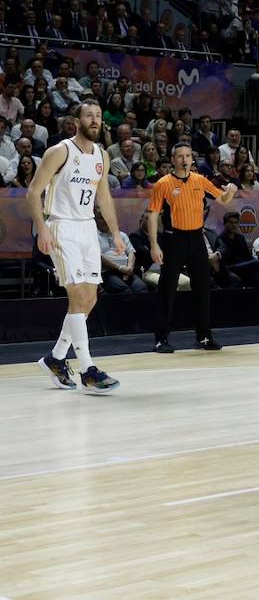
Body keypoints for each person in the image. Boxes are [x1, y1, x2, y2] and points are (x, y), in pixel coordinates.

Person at [29, 101, 122, 393]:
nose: (95, 120)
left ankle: (56, 358)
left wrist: (116, 234)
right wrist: (42, 229)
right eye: (89, 116)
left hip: (87, 228)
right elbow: (33, 192)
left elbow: (104, 198)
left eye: (98, 116)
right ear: (77, 120)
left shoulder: (102, 156)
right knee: (79, 295)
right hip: (61, 226)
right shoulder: (60, 151)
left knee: (89, 299)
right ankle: (88, 370)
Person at [147, 141, 237, 353]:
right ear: (173, 160)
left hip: (196, 237)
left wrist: (231, 190)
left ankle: (204, 336)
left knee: (203, 287)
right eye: (180, 156)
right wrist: (154, 244)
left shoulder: (200, 180)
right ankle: (161, 338)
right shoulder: (163, 183)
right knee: (167, 288)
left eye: (188, 155)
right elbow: (153, 214)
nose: (185, 159)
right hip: (173, 238)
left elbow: (223, 199)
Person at [96, 211, 147, 294]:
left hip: (127, 270)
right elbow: (99, 257)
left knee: (142, 289)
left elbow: (131, 253)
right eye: (101, 218)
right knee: (125, 291)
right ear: (96, 220)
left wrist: (129, 268)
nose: (105, 220)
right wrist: (120, 268)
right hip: (108, 273)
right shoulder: (94, 237)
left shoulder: (121, 235)